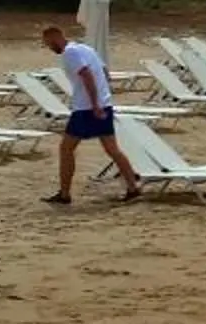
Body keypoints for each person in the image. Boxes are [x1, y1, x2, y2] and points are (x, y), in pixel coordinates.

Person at [41, 24, 141, 204]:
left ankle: (65, 194)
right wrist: (103, 97)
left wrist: (95, 104)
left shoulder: (69, 53)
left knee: (66, 149)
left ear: (54, 37)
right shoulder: (86, 48)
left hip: (86, 108)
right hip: (103, 103)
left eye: (48, 43)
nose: (49, 48)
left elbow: (87, 75)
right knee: (112, 149)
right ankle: (133, 187)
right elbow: (104, 71)